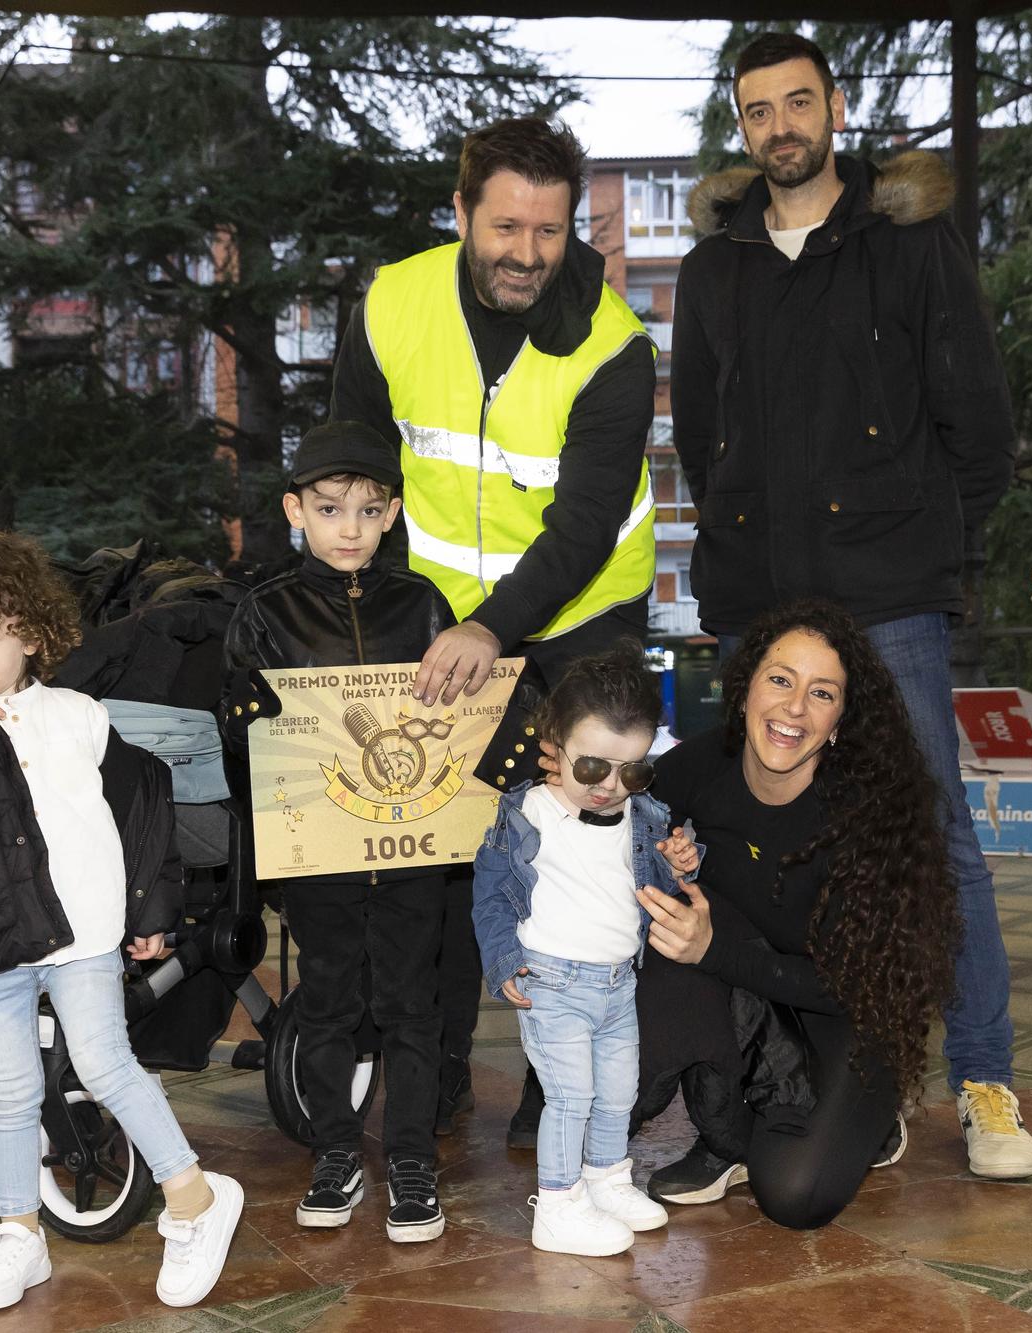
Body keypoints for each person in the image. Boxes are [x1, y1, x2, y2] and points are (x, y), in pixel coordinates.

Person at [670, 30, 1032, 1179]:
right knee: (759, 849)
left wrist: (920, 540)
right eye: (756, 110)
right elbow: (696, 435)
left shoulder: (908, 243)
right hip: (755, 601)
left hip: (886, 598)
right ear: (741, 128)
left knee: (932, 839)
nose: (779, 126)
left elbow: (976, 428)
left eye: (797, 103)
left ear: (834, 107)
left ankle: (983, 1080)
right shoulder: (710, 270)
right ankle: (815, 1080)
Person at [331, 115, 659, 1145]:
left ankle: (561, 1082)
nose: (525, 253)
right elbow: (354, 458)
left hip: (582, 614)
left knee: (571, 853)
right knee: (438, 855)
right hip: (441, 625)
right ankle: (426, 1085)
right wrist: (376, 606)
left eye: (550, 232)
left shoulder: (613, 342)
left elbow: (581, 526)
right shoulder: (392, 302)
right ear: (461, 211)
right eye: (506, 226)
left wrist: (491, 628)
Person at [0, 531, 241, 1312]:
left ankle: (194, 1196)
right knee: (9, 1088)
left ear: (30, 634)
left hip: (84, 930)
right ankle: (18, 1233)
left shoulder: (79, 717)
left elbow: (143, 808)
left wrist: (151, 910)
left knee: (105, 1061)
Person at [628, 601, 965, 1228]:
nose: (794, 708)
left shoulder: (872, 812)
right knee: (663, 910)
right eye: (780, 680)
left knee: (794, 1196)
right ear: (747, 685)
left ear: (840, 718)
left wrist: (714, 952)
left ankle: (865, 1120)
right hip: (748, 1000)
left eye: (822, 693)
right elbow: (611, 814)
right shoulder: (701, 765)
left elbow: (862, 988)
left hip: (846, 1009)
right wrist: (572, 770)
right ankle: (729, 1130)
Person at [219, 422, 457, 1241]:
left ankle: (414, 1160)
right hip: (317, 852)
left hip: (414, 849)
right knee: (325, 1004)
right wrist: (248, 720)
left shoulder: (424, 605)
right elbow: (241, 737)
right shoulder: (264, 612)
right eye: (328, 509)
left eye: (367, 509)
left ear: (393, 512)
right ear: (296, 510)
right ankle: (334, 1152)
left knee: (410, 1007)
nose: (348, 527)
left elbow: (455, 722)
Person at [473, 648, 697, 1256]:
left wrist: (684, 863)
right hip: (550, 980)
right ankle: (558, 1203)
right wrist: (501, 962)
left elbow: (663, 885)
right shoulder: (526, 812)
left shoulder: (644, 815)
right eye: (593, 766)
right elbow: (490, 894)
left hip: (619, 984)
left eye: (634, 770)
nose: (610, 787)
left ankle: (607, 1179)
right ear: (554, 744)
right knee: (570, 1096)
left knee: (619, 1092)